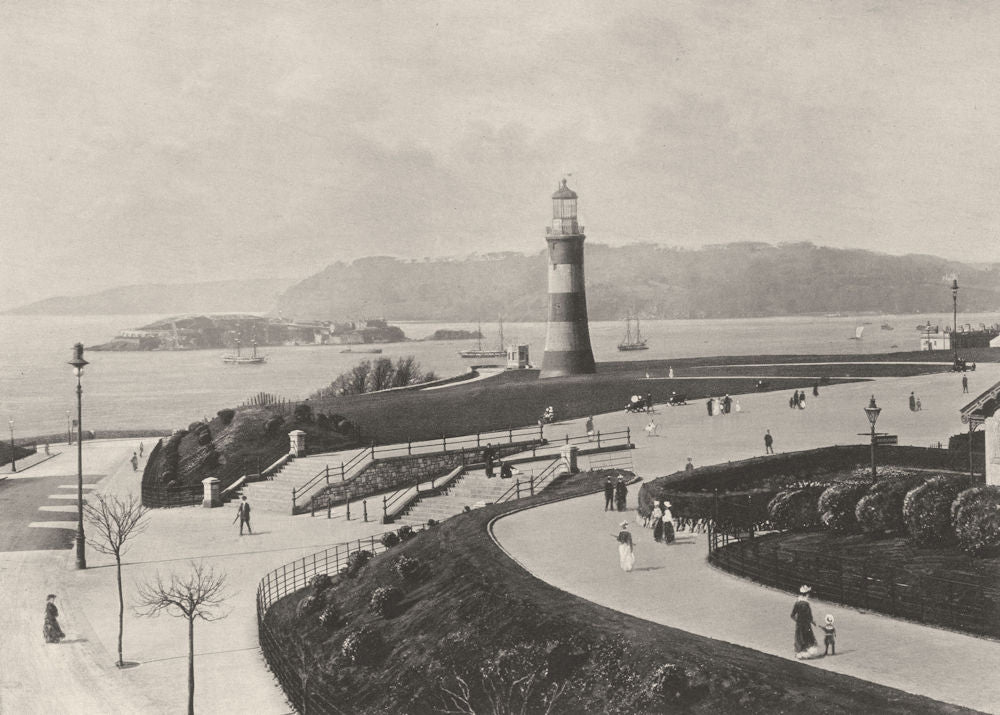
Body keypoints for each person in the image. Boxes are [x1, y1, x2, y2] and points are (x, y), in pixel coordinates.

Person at [791, 585, 820, 659]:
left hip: (799, 625)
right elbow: (809, 616)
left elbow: (792, 615)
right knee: (808, 638)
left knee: (800, 639)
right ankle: (807, 653)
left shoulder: (797, 603)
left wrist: (797, 621)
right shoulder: (806, 604)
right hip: (806, 625)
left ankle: (800, 654)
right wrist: (813, 622)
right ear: (807, 594)